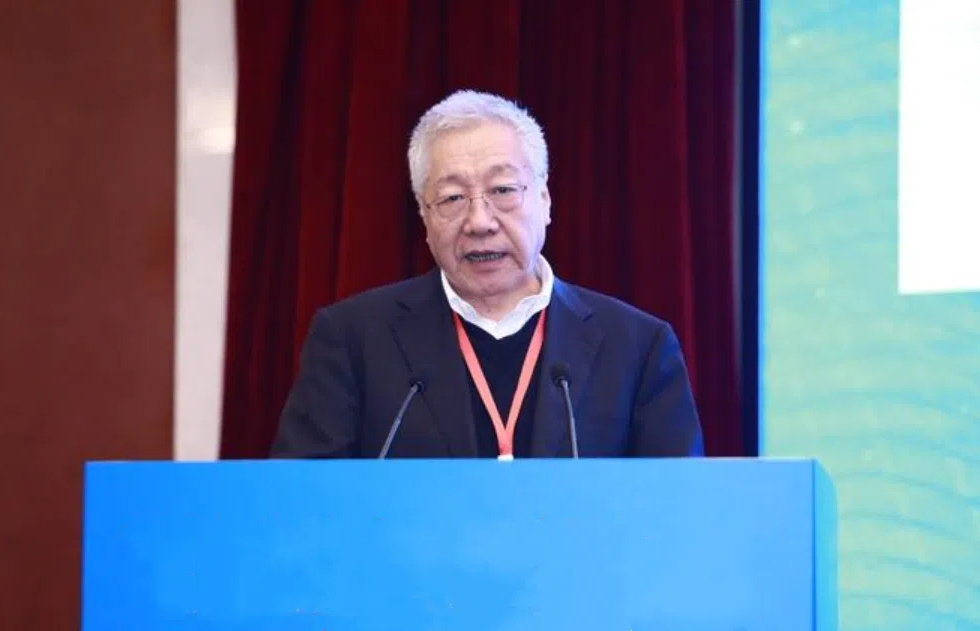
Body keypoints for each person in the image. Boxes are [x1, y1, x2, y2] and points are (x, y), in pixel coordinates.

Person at [271, 89, 703, 459]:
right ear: (424, 216)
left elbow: (678, 509)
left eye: (502, 190)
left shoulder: (637, 347)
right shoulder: (352, 340)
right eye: (452, 198)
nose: (479, 222)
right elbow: (300, 502)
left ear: (544, 199)